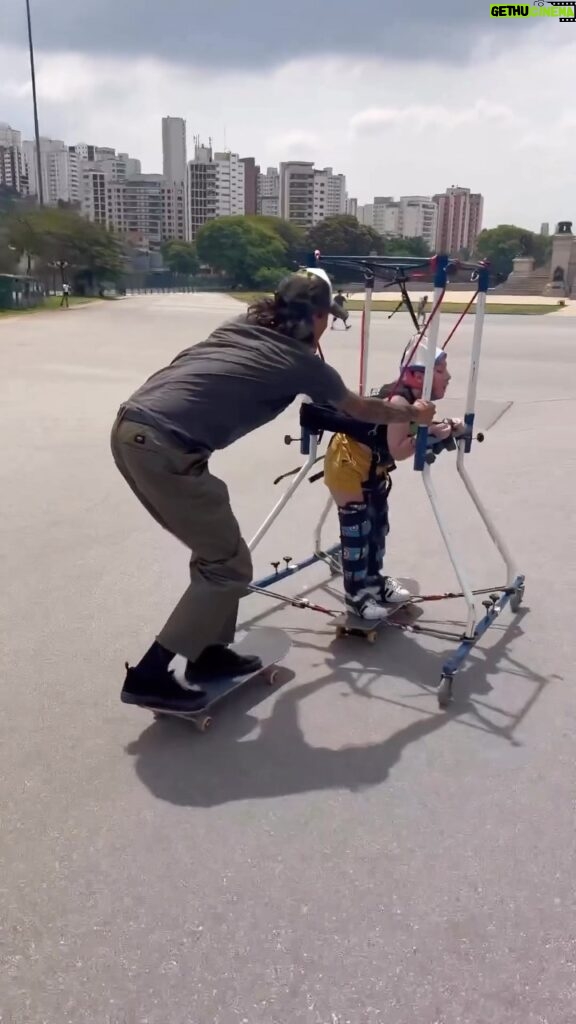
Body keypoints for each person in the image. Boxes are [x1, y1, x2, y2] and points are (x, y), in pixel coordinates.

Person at [110, 271, 436, 711]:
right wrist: (414, 415)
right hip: (165, 447)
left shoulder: (239, 328)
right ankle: (150, 675)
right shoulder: (303, 363)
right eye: (328, 319)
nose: (326, 328)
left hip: (135, 427)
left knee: (221, 555)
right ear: (318, 317)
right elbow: (360, 408)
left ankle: (208, 654)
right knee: (227, 566)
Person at [323, 335, 460, 621]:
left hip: (371, 469)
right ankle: (356, 596)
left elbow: (407, 431)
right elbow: (398, 450)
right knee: (357, 532)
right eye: (440, 370)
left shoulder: (413, 400)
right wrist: (428, 433)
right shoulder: (399, 401)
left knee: (377, 528)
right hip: (348, 466)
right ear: (415, 376)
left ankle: (374, 582)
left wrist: (439, 427)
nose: (448, 376)